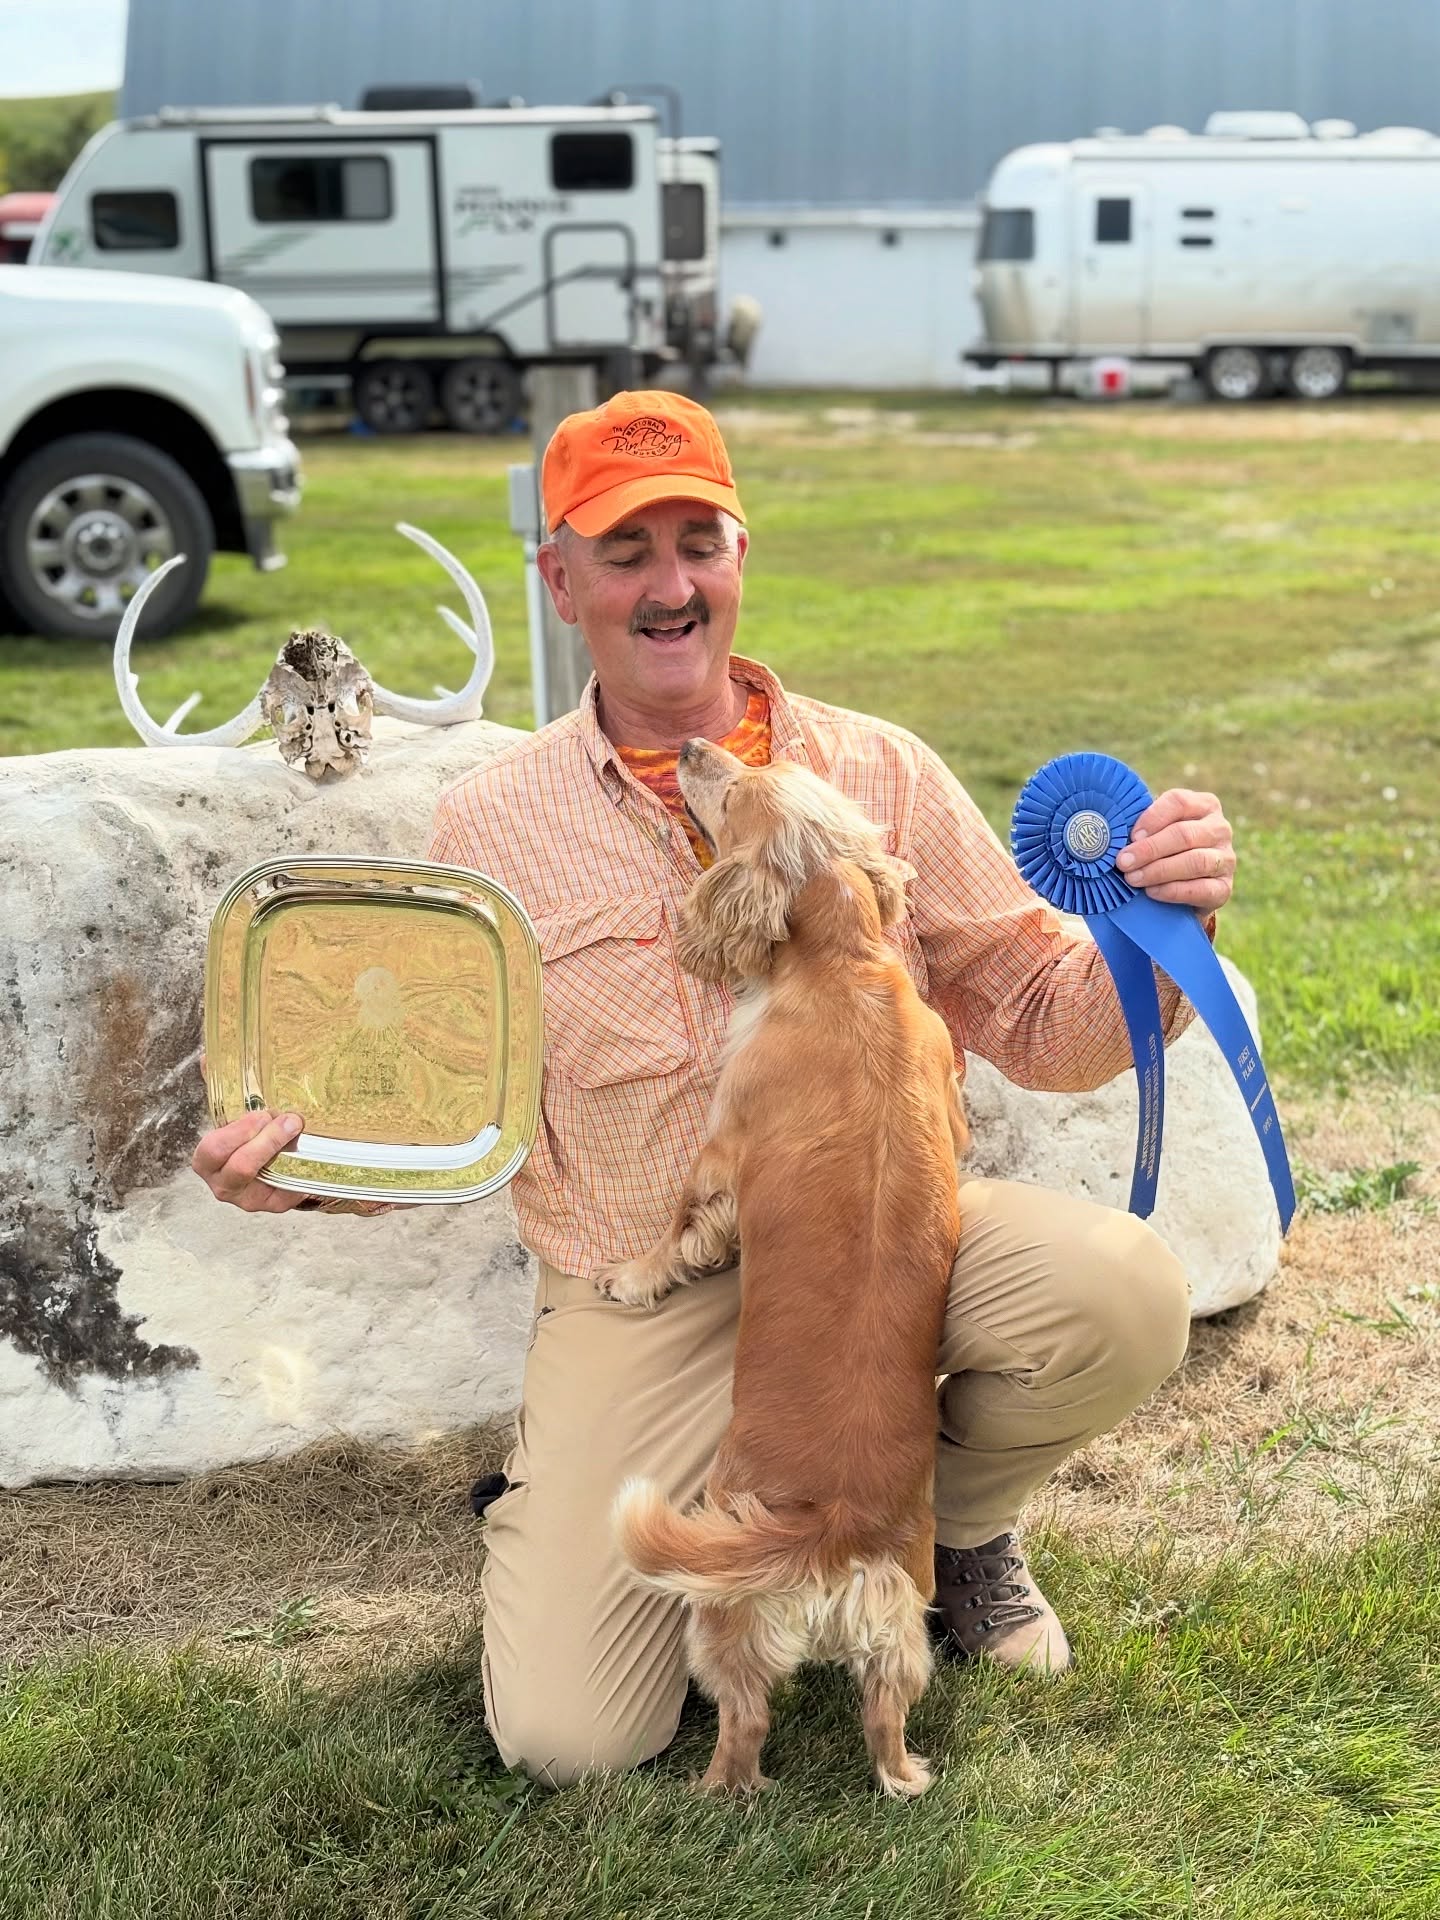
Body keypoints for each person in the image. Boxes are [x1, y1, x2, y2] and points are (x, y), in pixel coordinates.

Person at [193, 391, 1237, 1787]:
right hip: (649, 1286)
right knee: (572, 1739)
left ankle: (953, 1530)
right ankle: (560, 1490)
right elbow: (437, 1098)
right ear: (561, 582)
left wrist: (1168, 921)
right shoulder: (491, 824)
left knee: (1117, 1292)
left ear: (742, 556)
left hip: (882, 1245)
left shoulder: (878, 772)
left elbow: (1047, 1026)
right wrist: (303, 1167)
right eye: (626, 552)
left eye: (700, 541)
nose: (670, 586)